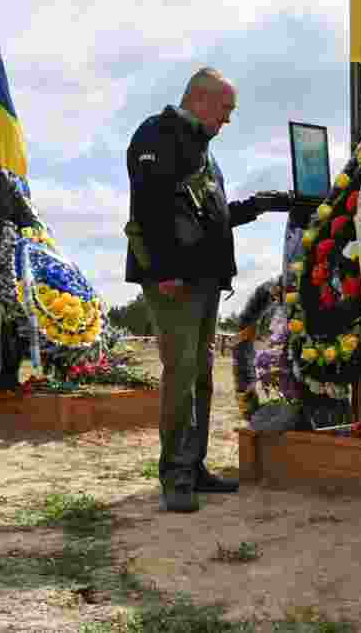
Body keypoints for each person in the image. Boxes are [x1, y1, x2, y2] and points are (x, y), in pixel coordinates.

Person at [124, 67, 260, 512]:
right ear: (201, 100)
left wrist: (255, 208)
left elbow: (208, 214)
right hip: (174, 280)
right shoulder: (157, 134)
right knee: (180, 374)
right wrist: (164, 268)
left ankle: (194, 465)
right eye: (226, 109)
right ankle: (176, 475)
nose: (228, 120)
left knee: (200, 375)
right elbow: (150, 205)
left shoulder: (202, 149)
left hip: (202, 279)